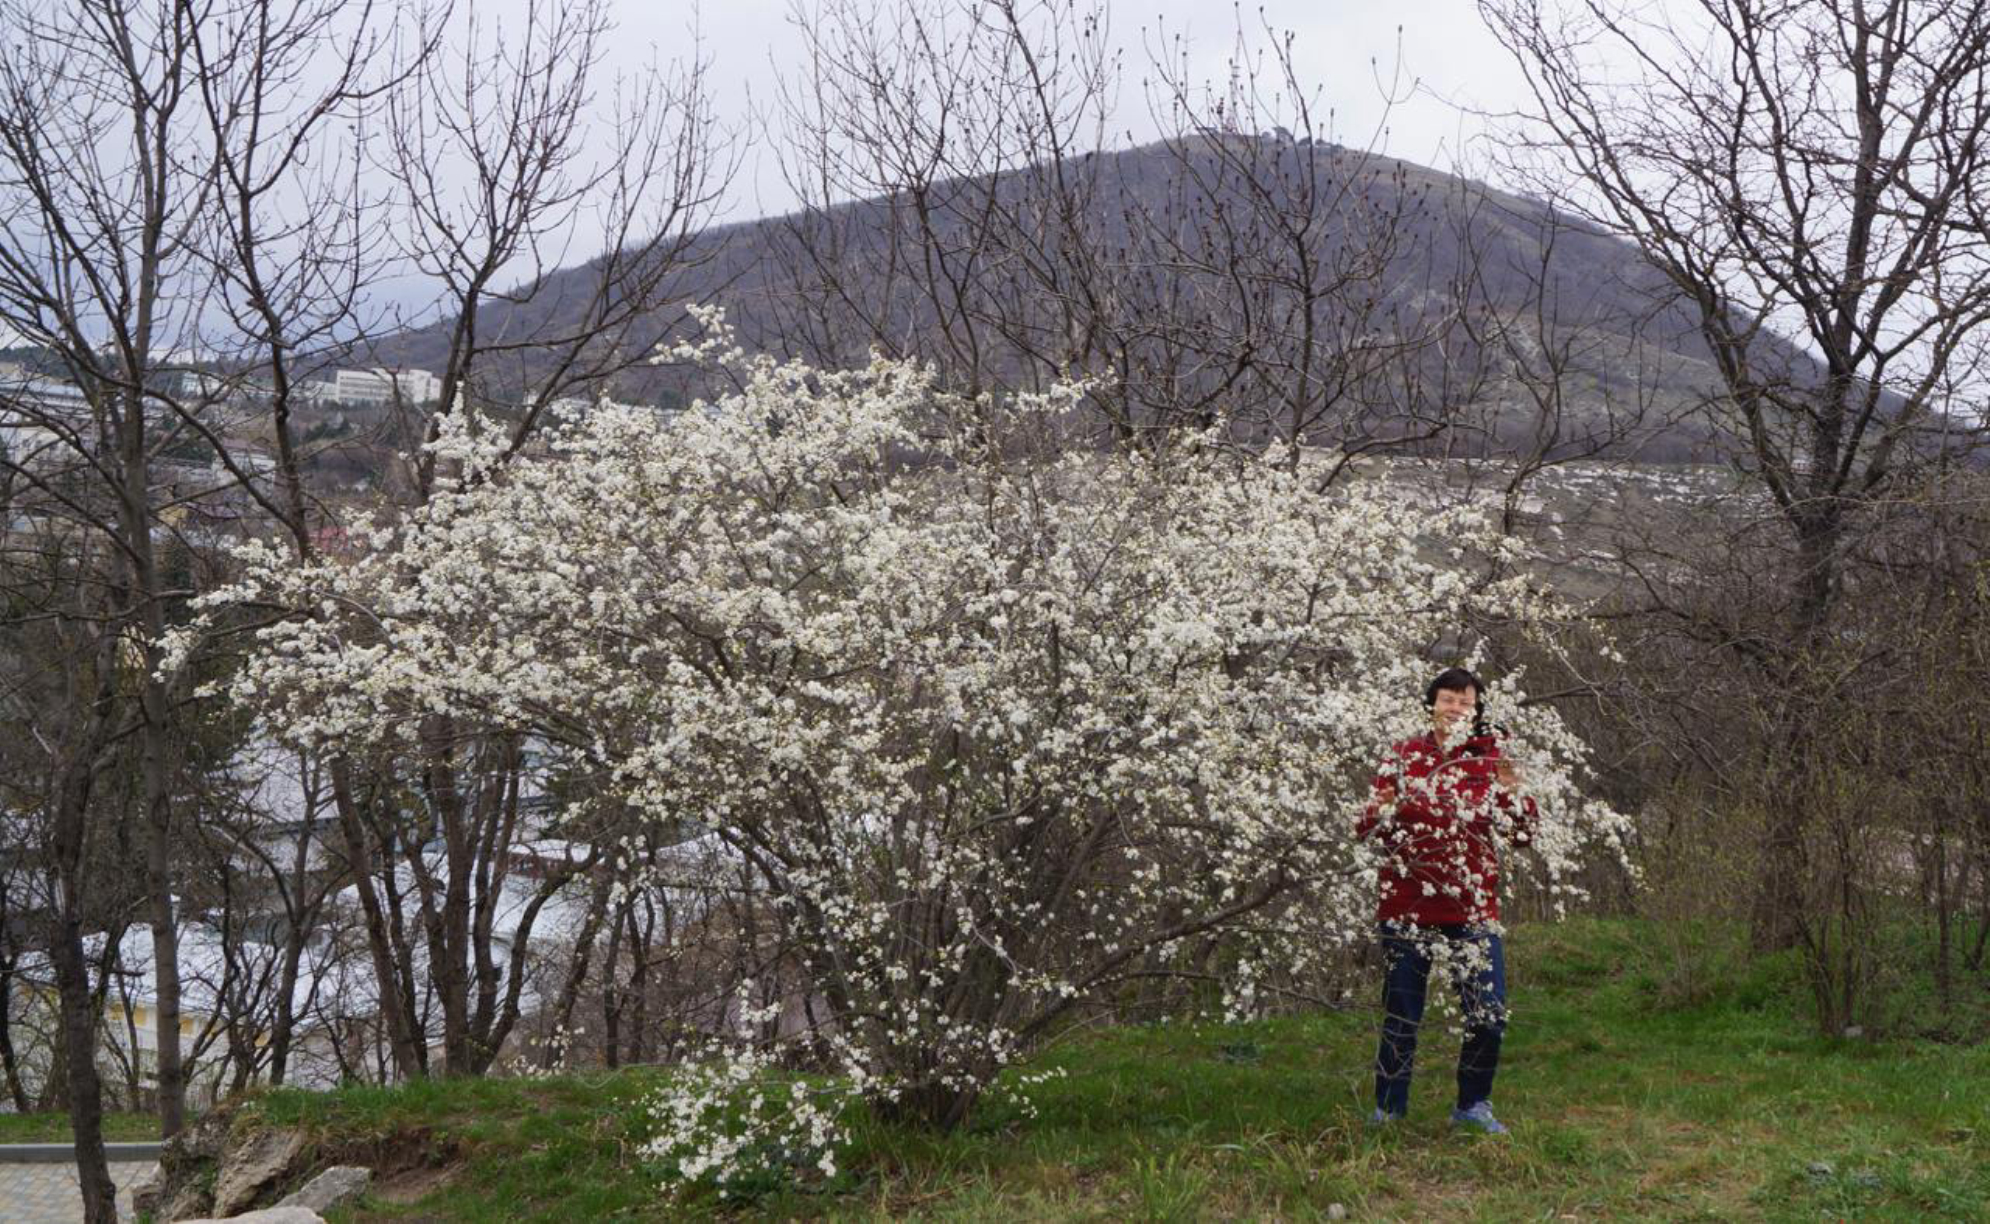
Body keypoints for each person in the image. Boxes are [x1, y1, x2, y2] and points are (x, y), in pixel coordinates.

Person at [1355, 666, 1536, 1133]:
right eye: (1448, 698)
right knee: (1402, 1013)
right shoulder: (1403, 754)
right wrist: (1383, 808)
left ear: (1476, 711)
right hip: (1408, 902)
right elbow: (1368, 827)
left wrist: (1515, 792)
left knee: (1488, 1012)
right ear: (1431, 704)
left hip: (1471, 904)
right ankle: (1389, 1109)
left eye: (1466, 701)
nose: (1456, 707)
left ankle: (1473, 1106)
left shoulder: (1489, 760)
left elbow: (1522, 835)